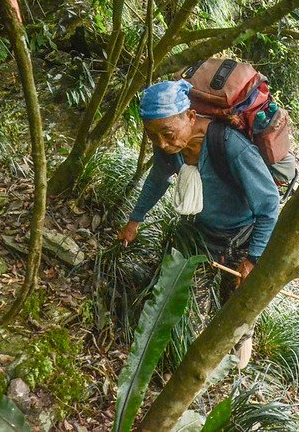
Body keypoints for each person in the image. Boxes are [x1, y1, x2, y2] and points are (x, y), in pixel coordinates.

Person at [117, 79, 280, 368]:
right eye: (153, 137)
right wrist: (135, 220)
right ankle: (184, 362)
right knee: (189, 301)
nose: (162, 144)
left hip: (243, 237)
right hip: (201, 233)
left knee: (237, 303)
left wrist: (253, 259)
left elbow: (268, 205)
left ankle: (241, 347)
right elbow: (157, 180)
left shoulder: (230, 147)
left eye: (167, 134)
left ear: (191, 117)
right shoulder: (169, 147)